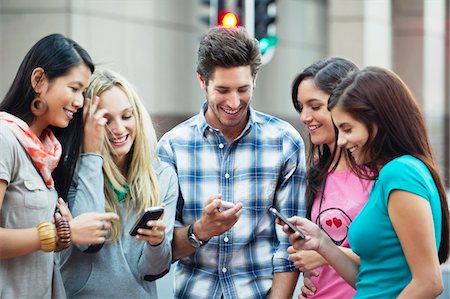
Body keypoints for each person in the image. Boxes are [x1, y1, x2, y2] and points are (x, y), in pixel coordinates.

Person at [157, 26, 306, 299]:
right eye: (223, 90)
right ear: (202, 81)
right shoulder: (172, 147)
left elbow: (289, 243)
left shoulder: (285, 142)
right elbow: (160, 250)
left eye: (243, 89)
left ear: (255, 81)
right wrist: (200, 230)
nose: (234, 102)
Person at [280, 66, 450, 298]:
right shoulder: (395, 174)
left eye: (348, 129)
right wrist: (321, 242)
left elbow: (429, 282)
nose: (341, 141)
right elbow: (368, 280)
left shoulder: (400, 173)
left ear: (377, 121)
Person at [0, 33, 119, 299]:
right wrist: (61, 233)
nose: (79, 102)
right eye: (74, 88)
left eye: (83, 92)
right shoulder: (4, 138)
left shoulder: (48, 153)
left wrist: (62, 230)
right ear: (39, 80)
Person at [59, 68, 178, 298]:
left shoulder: (162, 176)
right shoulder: (70, 172)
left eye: (126, 116)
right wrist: (91, 155)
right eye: (105, 119)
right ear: (87, 124)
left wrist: (157, 243)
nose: (119, 129)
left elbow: (155, 270)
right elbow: (89, 243)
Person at [289, 57, 372, 298]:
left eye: (314, 107)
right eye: (300, 107)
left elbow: (390, 260)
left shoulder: (380, 172)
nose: (304, 117)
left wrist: (325, 253)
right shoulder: (316, 170)